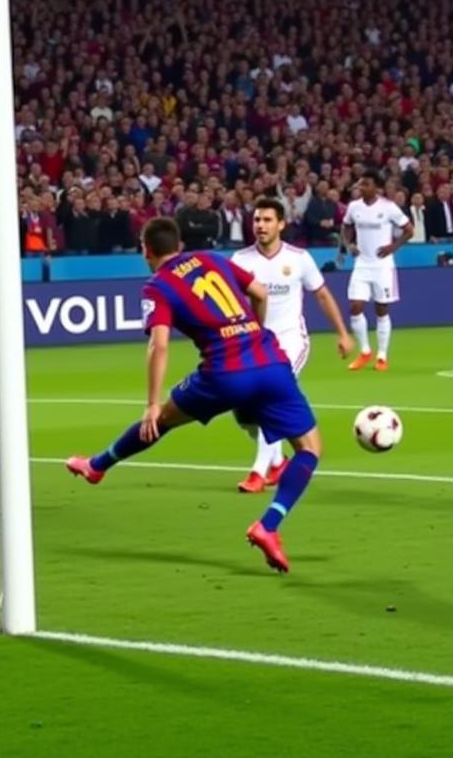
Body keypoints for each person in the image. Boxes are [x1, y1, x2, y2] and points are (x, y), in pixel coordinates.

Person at [66, 217, 323, 573]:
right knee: (309, 449)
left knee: (163, 420)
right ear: (180, 245)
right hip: (269, 362)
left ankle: (97, 466)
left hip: (222, 374)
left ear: (146, 251)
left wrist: (152, 403)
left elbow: (159, 345)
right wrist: (255, 331)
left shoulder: (158, 286)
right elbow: (260, 294)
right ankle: (269, 525)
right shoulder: (212, 259)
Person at [231, 198, 353, 493]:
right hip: (254, 345)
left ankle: (257, 473)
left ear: (281, 224)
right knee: (244, 415)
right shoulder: (240, 260)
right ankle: (276, 462)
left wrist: (343, 333)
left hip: (290, 341)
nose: (260, 225)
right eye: (257, 220)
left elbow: (322, 295)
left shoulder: (298, 258)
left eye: (267, 220)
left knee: (268, 397)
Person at [341, 169, 414, 371]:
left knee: (381, 309)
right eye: (361, 184)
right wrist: (349, 244)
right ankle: (365, 352)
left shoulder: (389, 208)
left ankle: (382, 355)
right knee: (355, 306)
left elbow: (409, 230)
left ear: (376, 188)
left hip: (382, 266)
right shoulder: (354, 207)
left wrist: (393, 247)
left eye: (366, 184)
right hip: (362, 264)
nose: (362, 187)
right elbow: (346, 226)